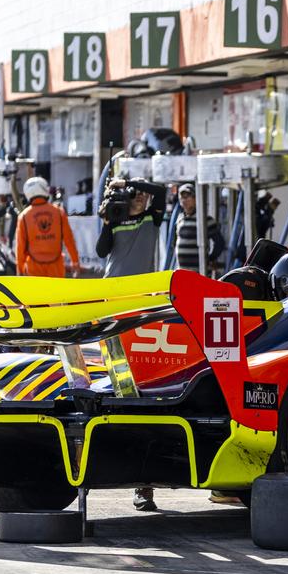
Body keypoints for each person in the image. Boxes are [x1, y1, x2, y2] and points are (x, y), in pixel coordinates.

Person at [96, 177, 166, 511]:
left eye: (139, 197)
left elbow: (162, 192)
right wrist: (109, 220)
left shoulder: (153, 218)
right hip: (114, 307)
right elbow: (100, 250)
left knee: (144, 391)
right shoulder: (117, 218)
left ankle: (144, 486)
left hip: (143, 310)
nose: (135, 200)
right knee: (116, 385)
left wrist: (133, 182)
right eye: (131, 197)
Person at [95, 178, 165, 279]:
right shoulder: (115, 219)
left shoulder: (152, 217)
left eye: (143, 192)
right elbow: (101, 252)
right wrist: (106, 224)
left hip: (143, 287)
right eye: (134, 192)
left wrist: (126, 183)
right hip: (115, 284)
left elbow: (161, 192)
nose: (139, 195)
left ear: (149, 196)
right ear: (127, 195)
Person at [15, 176, 79, 277]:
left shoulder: (23, 217)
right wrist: (75, 262)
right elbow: (69, 240)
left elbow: (20, 247)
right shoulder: (59, 212)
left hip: (33, 268)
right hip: (56, 267)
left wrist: (19, 270)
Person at [175, 183, 225, 272]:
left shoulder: (205, 219)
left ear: (195, 199)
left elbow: (219, 242)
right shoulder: (180, 218)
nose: (184, 200)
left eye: (187, 197)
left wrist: (210, 258)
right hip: (182, 271)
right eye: (182, 197)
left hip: (200, 272)